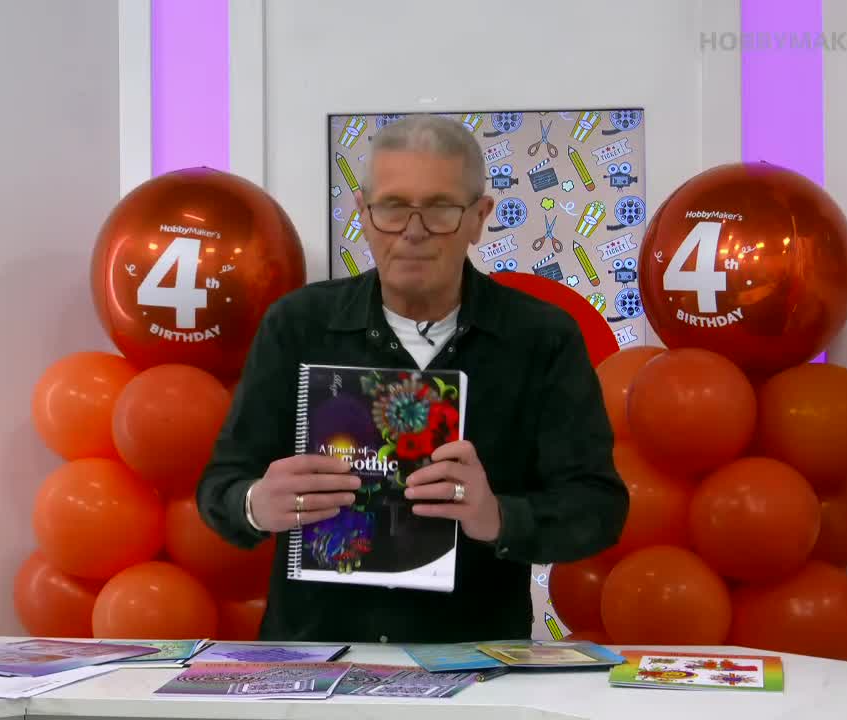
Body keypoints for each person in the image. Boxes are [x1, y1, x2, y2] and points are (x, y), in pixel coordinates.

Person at [196, 114, 628, 644]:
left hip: (475, 658)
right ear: (363, 213)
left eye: (441, 208)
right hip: (316, 655)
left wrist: (499, 517)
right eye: (393, 207)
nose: (413, 231)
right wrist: (255, 504)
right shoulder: (297, 325)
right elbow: (220, 485)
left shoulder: (541, 338)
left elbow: (598, 507)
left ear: (479, 217)